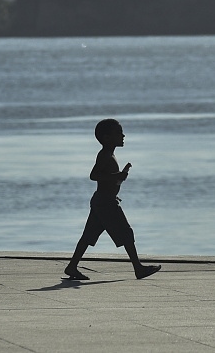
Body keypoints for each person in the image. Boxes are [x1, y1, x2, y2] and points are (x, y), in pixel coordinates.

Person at [64, 119, 161, 280]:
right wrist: (117, 175)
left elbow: (108, 178)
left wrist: (120, 176)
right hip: (106, 203)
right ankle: (138, 268)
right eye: (118, 133)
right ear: (106, 137)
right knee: (126, 233)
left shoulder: (110, 155)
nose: (123, 136)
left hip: (101, 201)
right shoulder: (105, 155)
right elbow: (94, 175)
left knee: (88, 236)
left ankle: (72, 266)